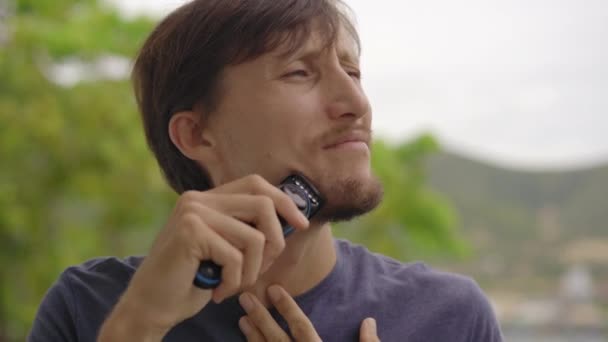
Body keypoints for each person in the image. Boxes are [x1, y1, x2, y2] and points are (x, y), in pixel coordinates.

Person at [29, 0, 503, 341]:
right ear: (195, 134)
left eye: (353, 72)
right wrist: (140, 324)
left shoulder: (449, 318)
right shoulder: (88, 307)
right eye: (300, 72)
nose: (356, 103)